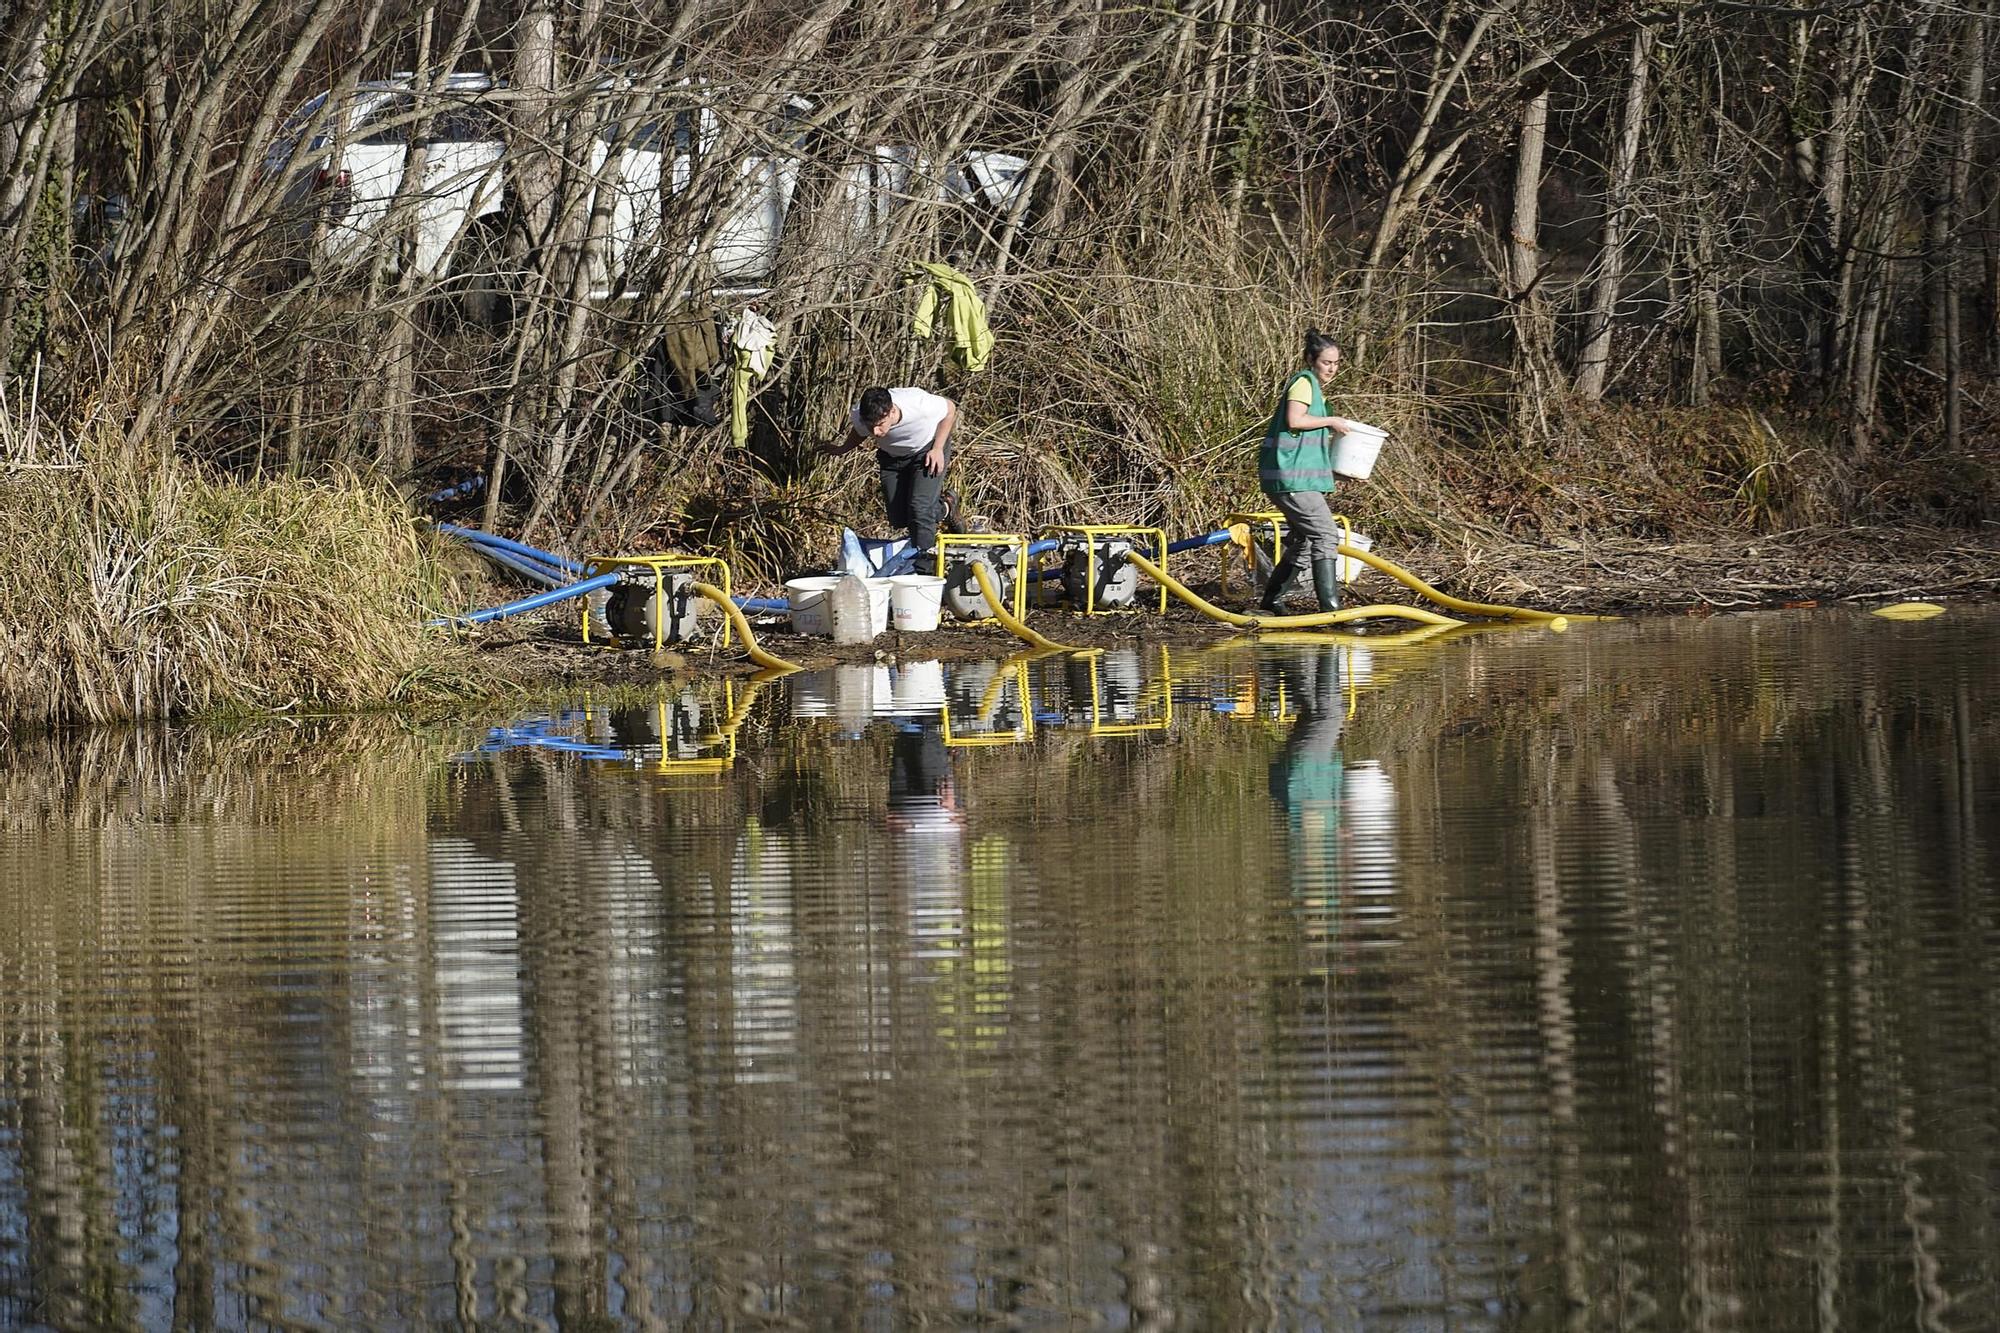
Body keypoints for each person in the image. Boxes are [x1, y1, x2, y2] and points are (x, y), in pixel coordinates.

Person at [1258, 329, 1365, 613]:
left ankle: (1273, 602)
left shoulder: (1316, 392)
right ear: (1310, 360)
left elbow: (1307, 448)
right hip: (1290, 478)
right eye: (1326, 362)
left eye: (1336, 363)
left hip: (1293, 476)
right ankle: (1331, 609)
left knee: (1305, 540)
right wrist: (1331, 420)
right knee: (1326, 535)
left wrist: (1339, 473)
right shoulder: (1304, 383)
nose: (1331, 368)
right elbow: (1295, 421)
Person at [824, 385, 959, 558]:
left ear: (892, 411)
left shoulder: (919, 406)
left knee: (919, 509)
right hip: (892, 458)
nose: (876, 432)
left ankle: (924, 567)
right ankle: (946, 507)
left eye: (880, 425)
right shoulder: (861, 413)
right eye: (871, 426)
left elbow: (950, 409)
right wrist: (842, 449)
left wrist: (938, 448)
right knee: (900, 518)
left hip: (927, 449)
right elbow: (860, 432)